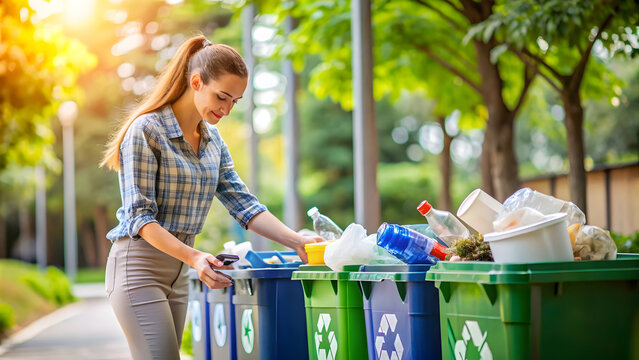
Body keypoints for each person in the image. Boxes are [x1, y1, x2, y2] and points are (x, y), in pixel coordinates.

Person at [100, 34, 322, 360]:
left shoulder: (213, 141)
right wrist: (194, 257)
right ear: (196, 82)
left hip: (179, 271)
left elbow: (243, 203)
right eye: (222, 96)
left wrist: (296, 241)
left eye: (235, 101)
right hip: (139, 268)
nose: (227, 108)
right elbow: (140, 219)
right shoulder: (146, 130)